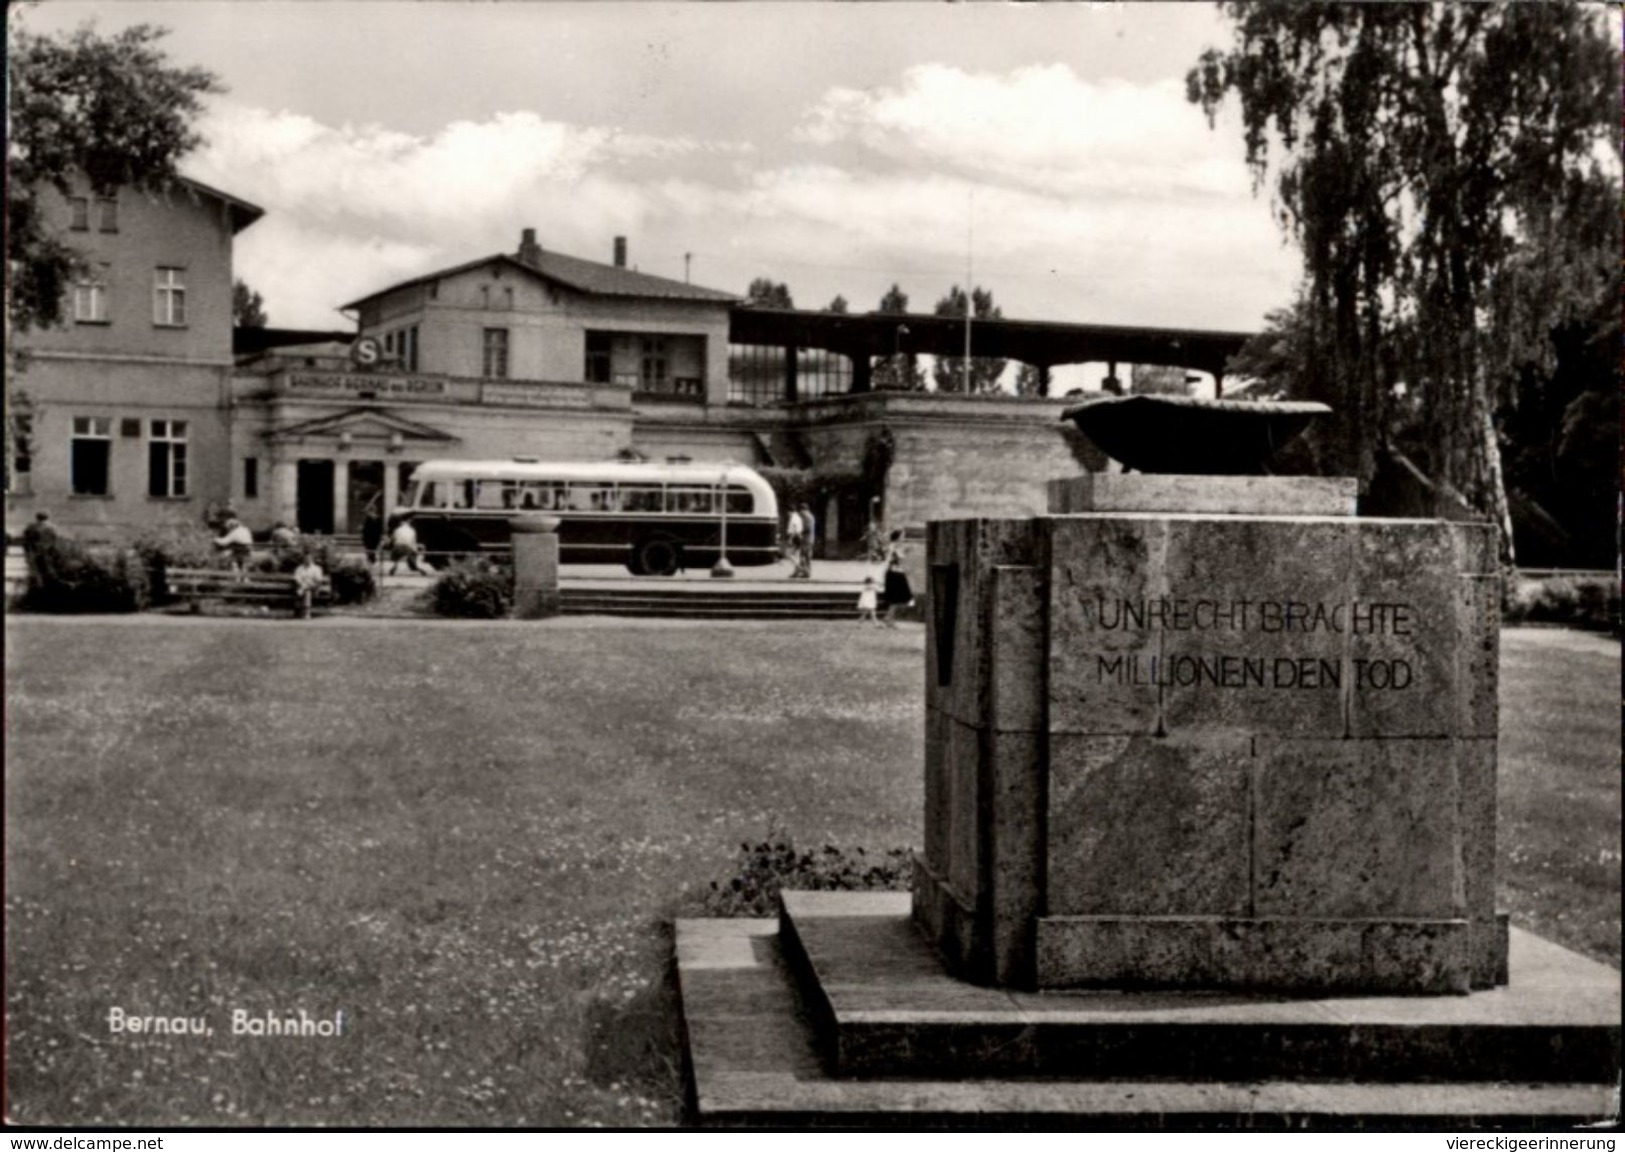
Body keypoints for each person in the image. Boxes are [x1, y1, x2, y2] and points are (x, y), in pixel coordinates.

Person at [881, 528, 913, 628]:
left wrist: (906, 552)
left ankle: (889, 618)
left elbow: (900, 557)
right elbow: (889, 559)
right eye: (902, 536)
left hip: (898, 572)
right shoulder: (892, 546)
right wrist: (884, 572)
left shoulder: (897, 547)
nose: (903, 538)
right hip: (893, 573)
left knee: (900, 597)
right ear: (898, 537)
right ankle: (889, 619)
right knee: (895, 598)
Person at [214, 517, 254, 582]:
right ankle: (245, 580)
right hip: (247, 551)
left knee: (231, 560)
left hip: (239, 552)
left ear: (231, 527)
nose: (228, 530)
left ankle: (237, 578)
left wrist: (215, 539)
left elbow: (224, 542)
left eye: (228, 528)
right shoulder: (246, 530)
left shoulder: (235, 532)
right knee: (244, 565)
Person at [292, 551, 326, 619]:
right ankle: (307, 613)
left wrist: (313, 586)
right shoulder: (300, 568)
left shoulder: (316, 568)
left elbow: (318, 580)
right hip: (301, 586)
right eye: (305, 559)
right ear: (303, 560)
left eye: (309, 559)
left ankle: (303, 611)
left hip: (313, 587)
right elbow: (296, 578)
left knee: (306, 588)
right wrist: (301, 584)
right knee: (307, 592)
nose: (307, 560)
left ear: (312, 560)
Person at [784, 505, 806, 578]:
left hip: (795, 538)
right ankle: (796, 572)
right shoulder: (797, 517)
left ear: (790, 511)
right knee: (796, 556)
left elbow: (795, 530)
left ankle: (799, 568)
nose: (787, 514)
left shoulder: (794, 518)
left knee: (788, 554)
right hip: (797, 537)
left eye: (788, 512)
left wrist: (790, 539)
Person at [797, 502, 817, 579]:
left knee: (805, 556)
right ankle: (805, 571)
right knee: (806, 556)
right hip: (810, 539)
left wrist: (800, 531)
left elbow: (807, 528)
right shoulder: (811, 516)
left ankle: (806, 572)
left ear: (803, 510)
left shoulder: (807, 517)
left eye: (801, 511)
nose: (800, 513)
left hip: (807, 539)